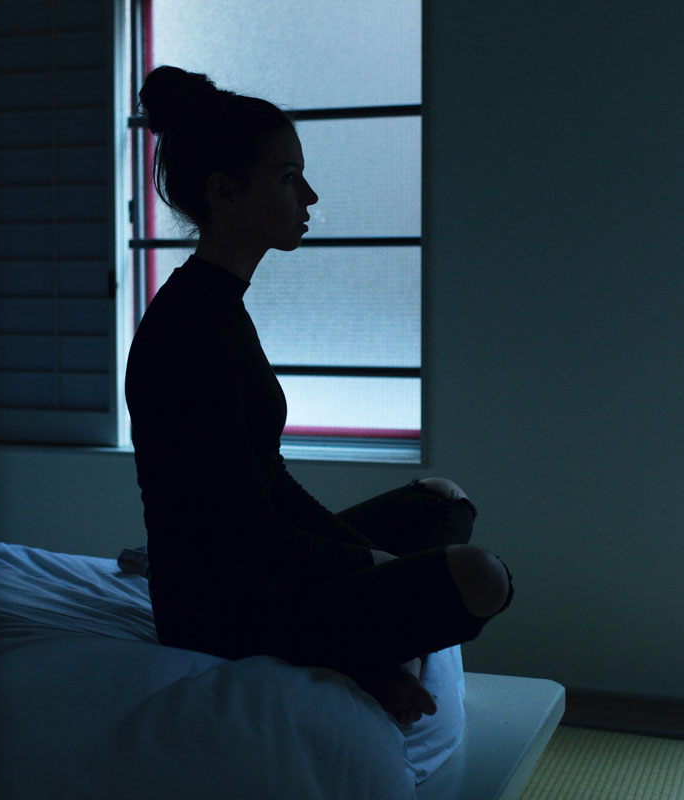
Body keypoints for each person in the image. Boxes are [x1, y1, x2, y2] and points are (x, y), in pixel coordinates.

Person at [125, 66, 512, 726]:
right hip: (220, 608)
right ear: (226, 192)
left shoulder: (217, 305)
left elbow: (270, 483)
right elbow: (245, 531)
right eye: (286, 177)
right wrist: (368, 563)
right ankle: (369, 661)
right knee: (482, 578)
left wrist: (363, 557)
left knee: (442, 499)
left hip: (258, 564)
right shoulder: (189, 331)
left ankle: (369, 649)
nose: (308, 194)